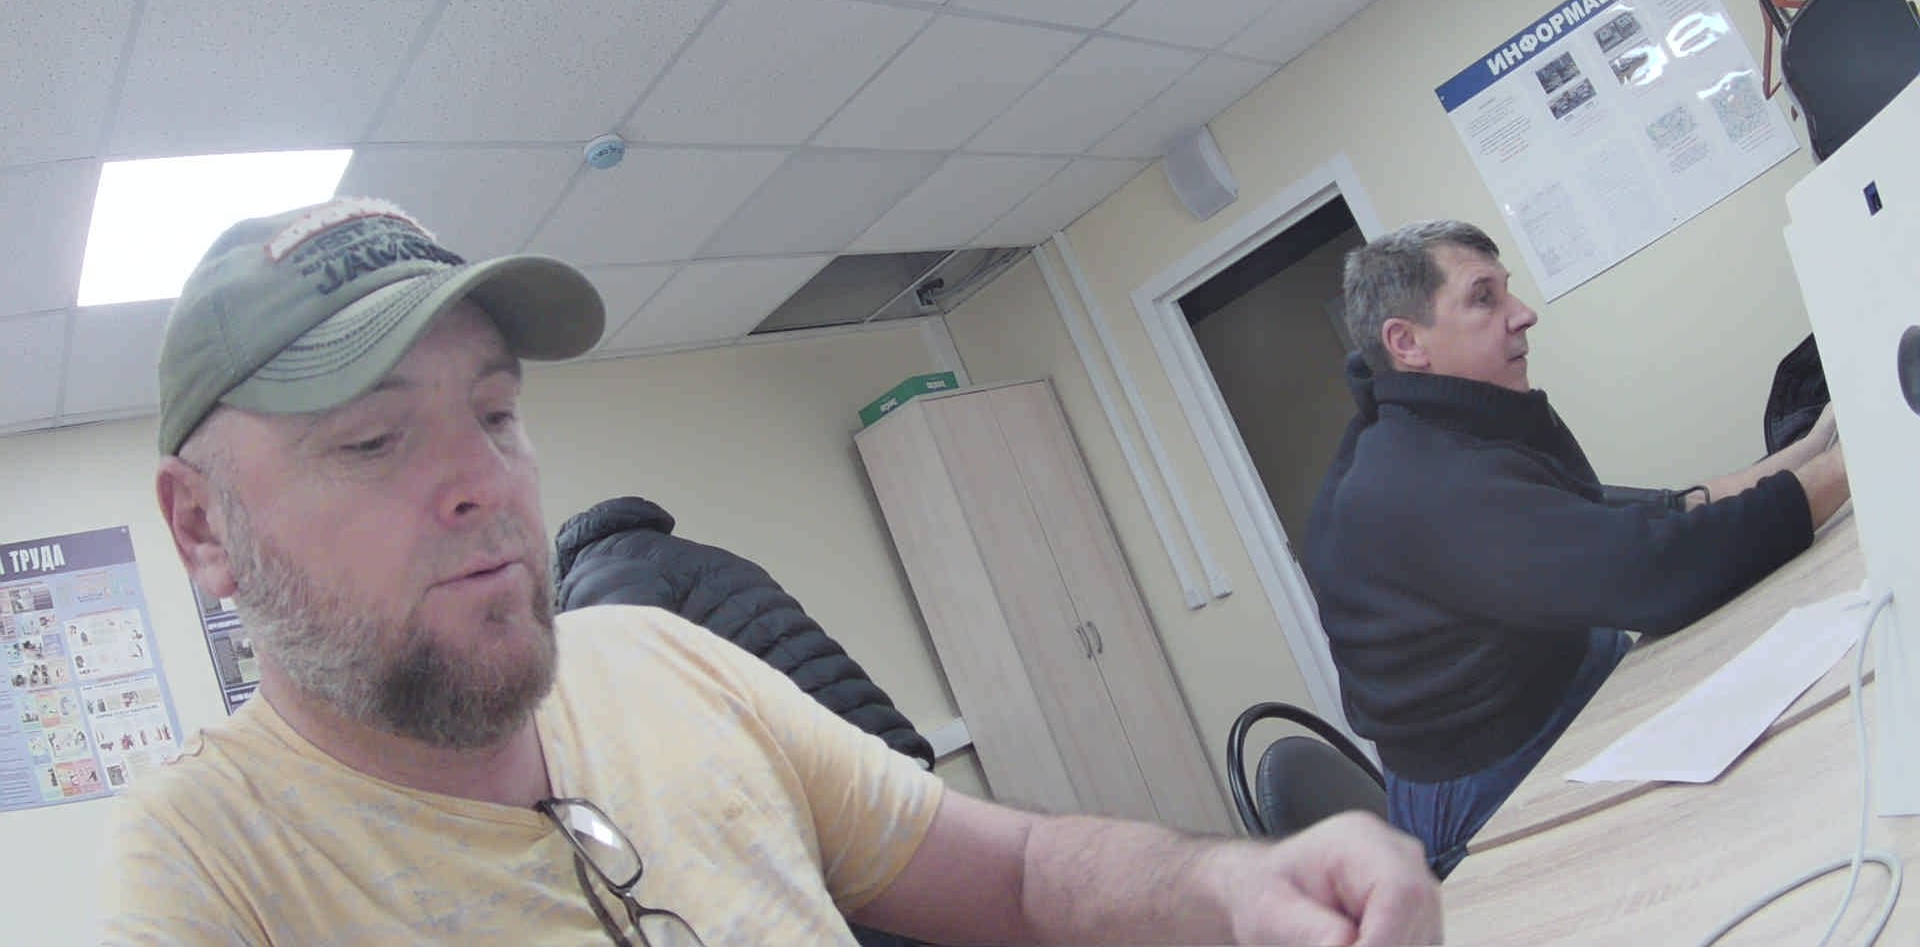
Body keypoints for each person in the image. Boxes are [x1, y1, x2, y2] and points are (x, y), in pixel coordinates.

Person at [101, 196, 1441, 946]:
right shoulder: (206, 869)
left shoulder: (657, 661)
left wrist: (1231, 888)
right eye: (374, 439)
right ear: (204, 529)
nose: (484, 482)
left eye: (496, 413)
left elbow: (1025, 874)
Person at [1304, 219, 1850, 879]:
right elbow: (1654, 573)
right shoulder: (1414, 483)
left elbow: (1638, 518)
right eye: (1484, 298)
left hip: (1563, 675)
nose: (1522, 313)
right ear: (1407, 343)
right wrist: (1858, 459)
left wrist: (1815, 447)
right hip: (1491, 777)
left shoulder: (1456, 421)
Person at [554, 495, 938, 768]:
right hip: (870, 736)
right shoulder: (685, 555)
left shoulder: (598, 575)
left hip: (834, 764)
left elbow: (635, 693)